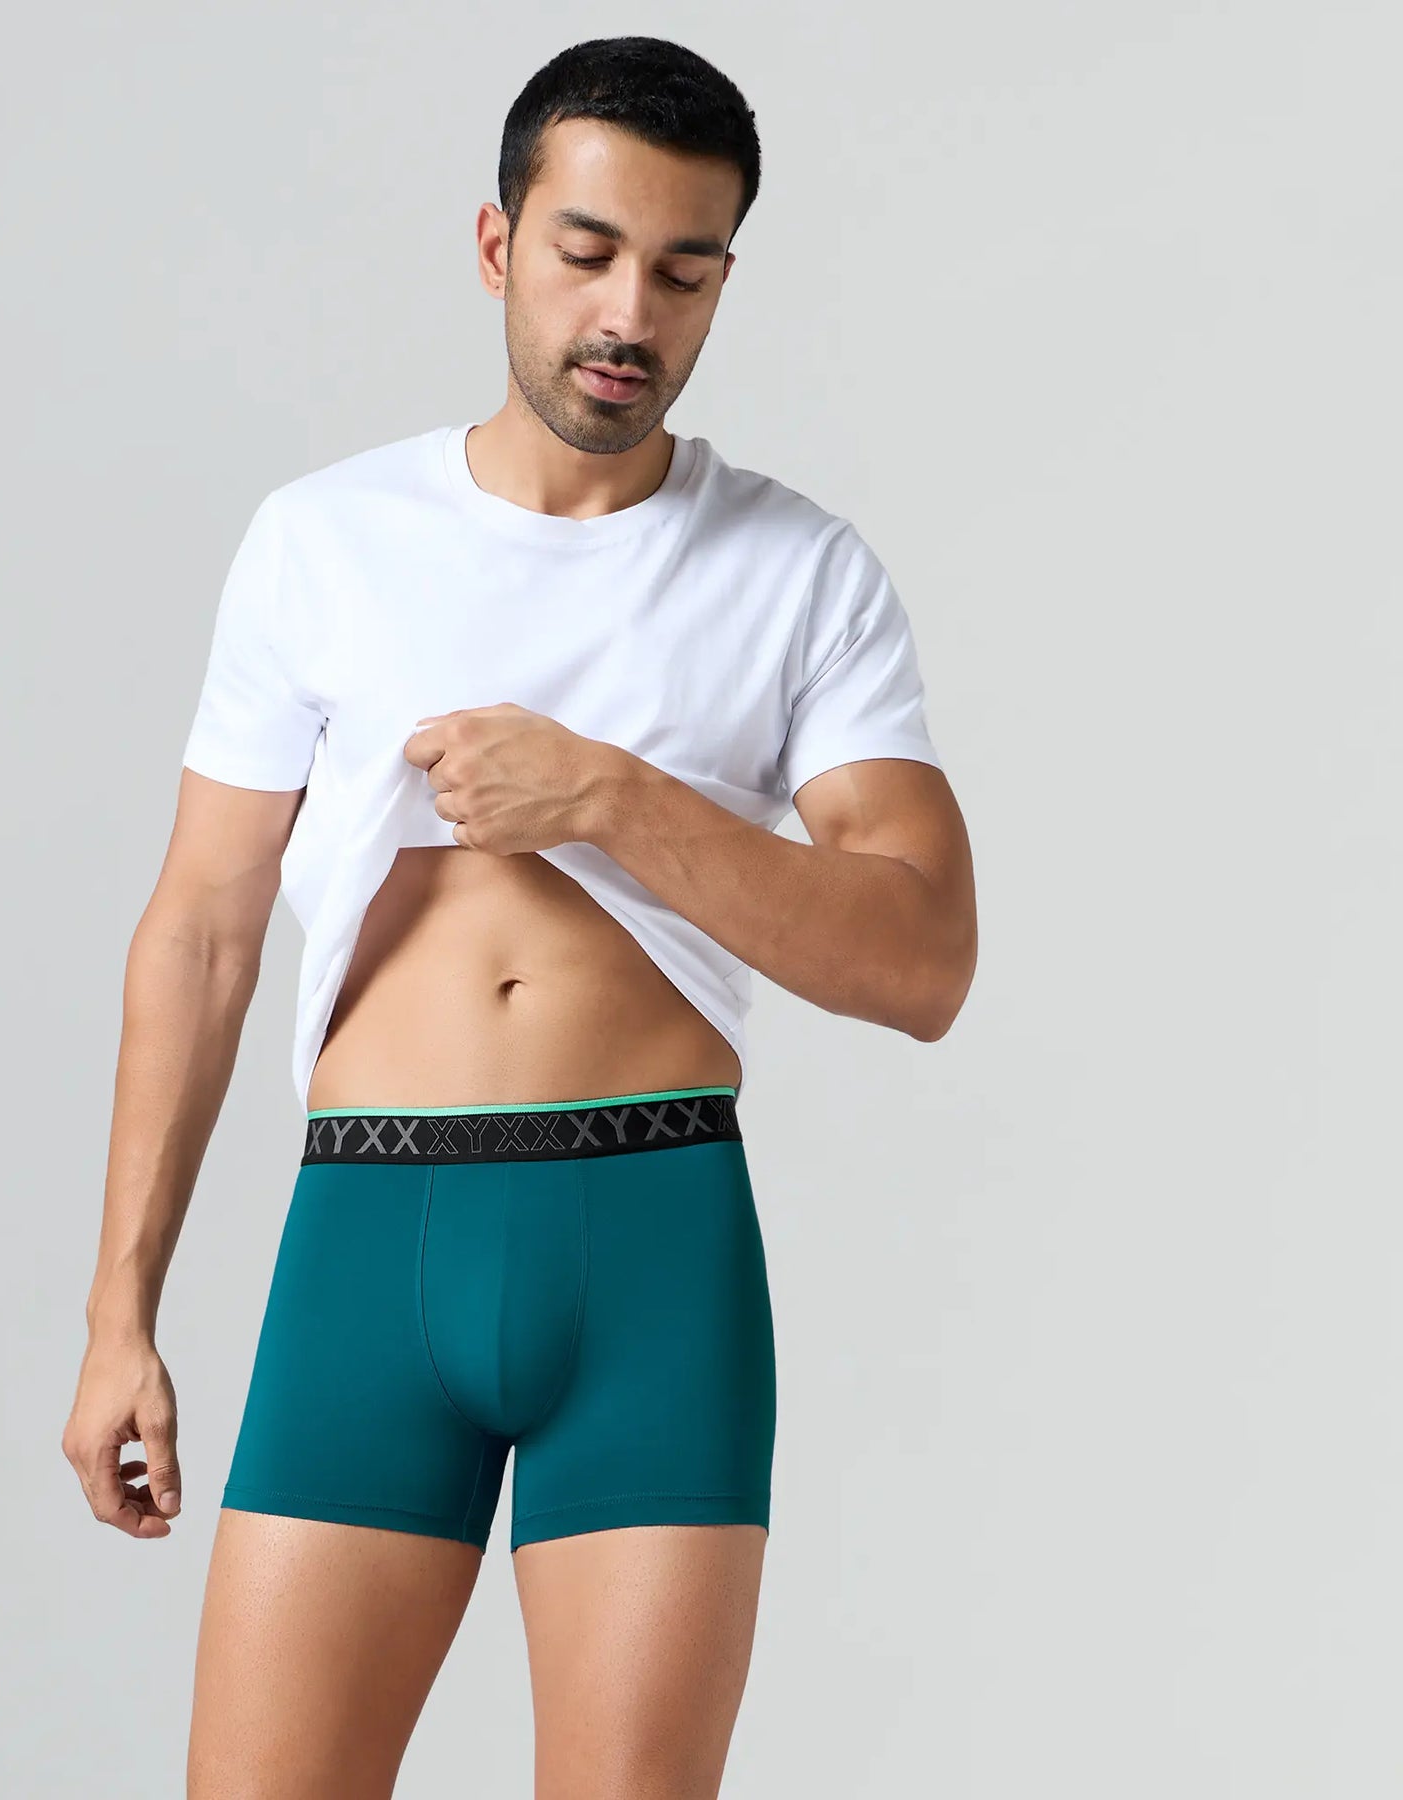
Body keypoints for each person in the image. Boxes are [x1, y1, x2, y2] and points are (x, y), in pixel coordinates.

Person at [64, 33, 977, 1799]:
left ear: (723, 282)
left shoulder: (802, 573)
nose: (629, 311)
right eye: (587, 251)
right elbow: (200, 934)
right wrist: (121, 1316)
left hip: (650, 1248)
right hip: (369, 1235)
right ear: (497, 244)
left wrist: (613, 799)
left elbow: (922, 959)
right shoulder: (324, 540)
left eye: (684, 270)